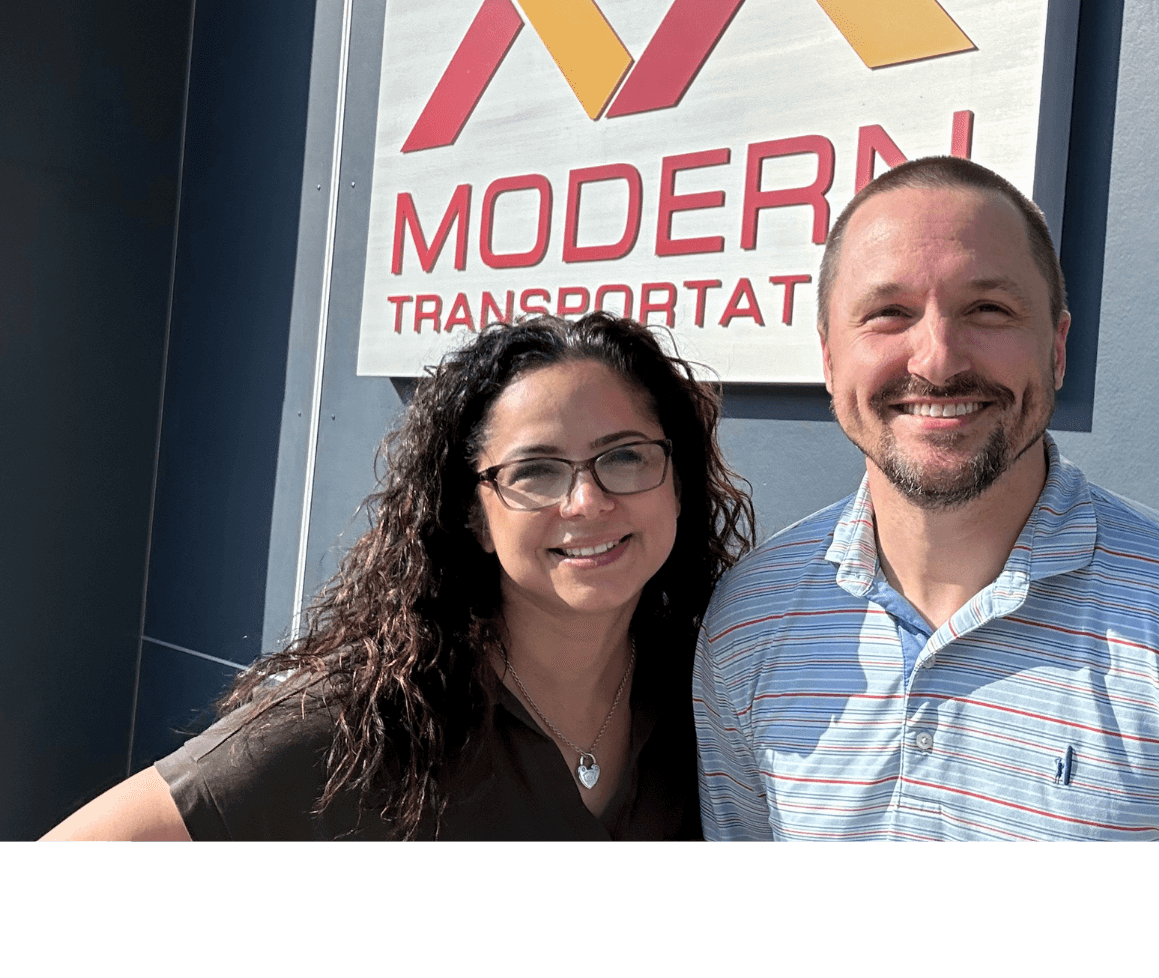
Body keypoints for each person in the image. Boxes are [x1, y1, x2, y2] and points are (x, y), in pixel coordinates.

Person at [693, 156, 1159, 841]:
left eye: (989, 310)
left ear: (1057, 349)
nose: (938, 360)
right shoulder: (748, 622)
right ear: (828, 358)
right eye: (888, 314)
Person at [44, 313, 755, 840]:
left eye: (625, 456)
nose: (587, 501)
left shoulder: (716, 691)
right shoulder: (366, 722)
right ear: (475, 517)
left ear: (678, 482)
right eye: (536, 471)